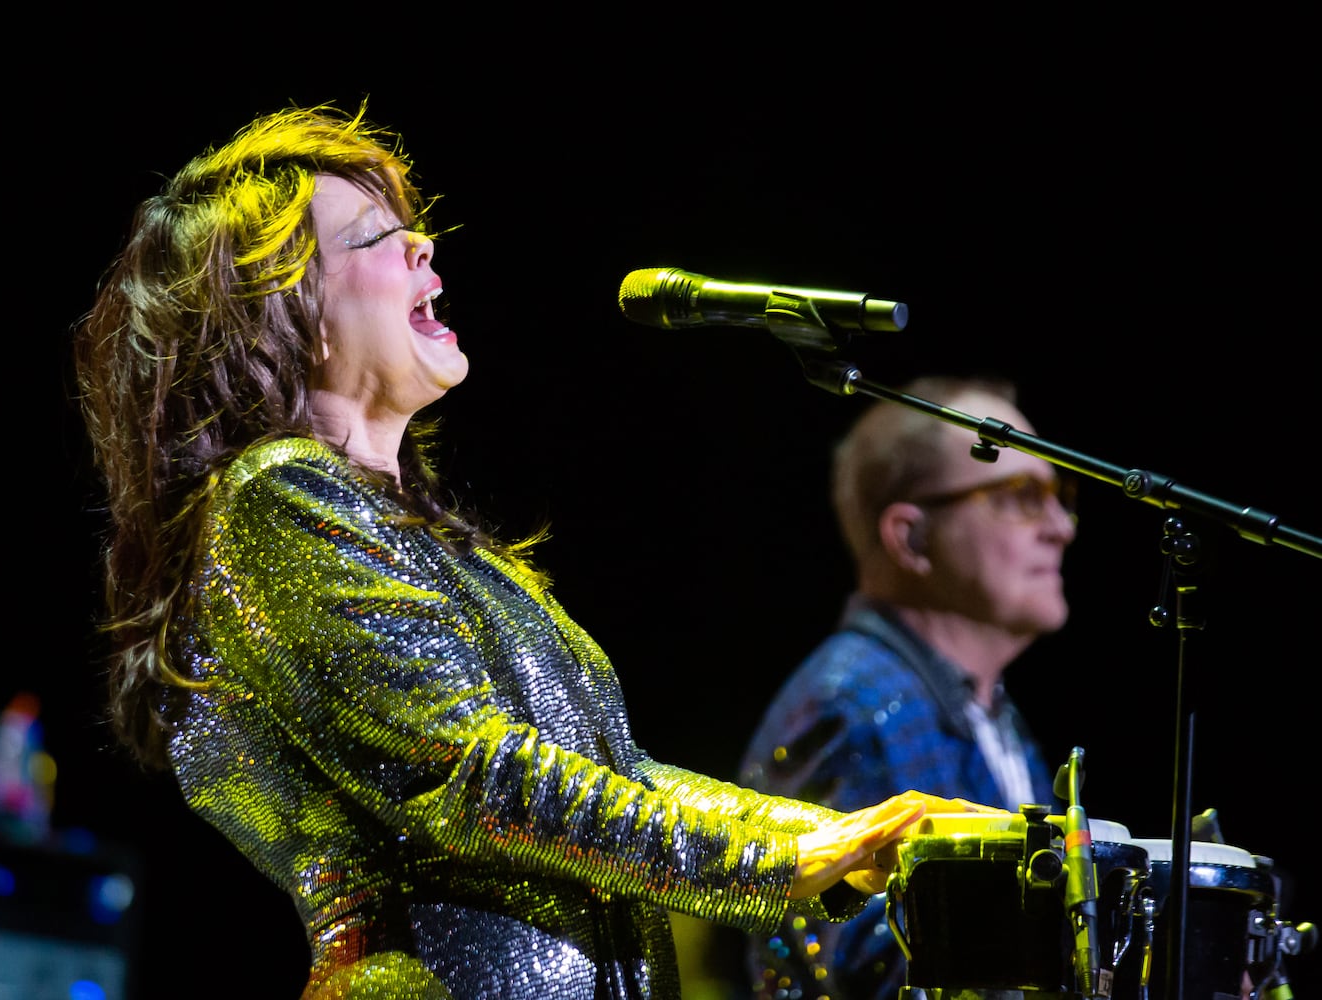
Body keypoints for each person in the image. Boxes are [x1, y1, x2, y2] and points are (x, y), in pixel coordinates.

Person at [71, 103, 996, 1000]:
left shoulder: (432, 546)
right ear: (287, 305)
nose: (423, 247)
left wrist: (853, 838)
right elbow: (472, 773)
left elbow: (615, 774)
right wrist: (773, 856)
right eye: (374, 238)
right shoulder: (280, 497)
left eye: (413, 227)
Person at [737, 375, 1077, 1000]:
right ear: (910, 537)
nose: (1060, 526)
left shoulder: (992, 711)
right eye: (1022, 495)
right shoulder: (853, 707)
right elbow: (870, 973)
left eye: (1061, 494)